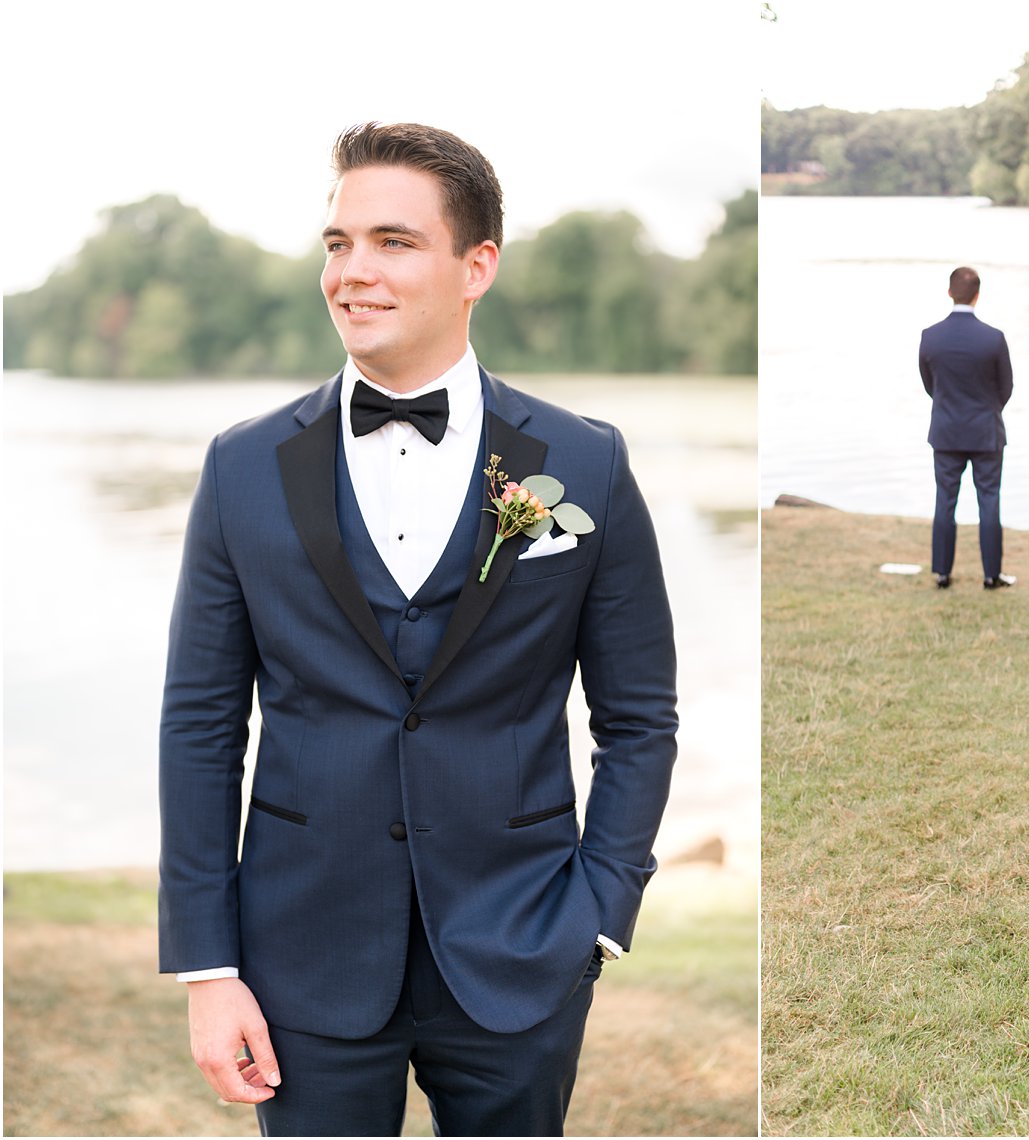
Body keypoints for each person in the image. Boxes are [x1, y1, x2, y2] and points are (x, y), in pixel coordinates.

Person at [157, 122, 677, 1136]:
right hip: (299, 952)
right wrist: (207, 965)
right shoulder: (241, 467)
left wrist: (600, 914)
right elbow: (200, 727)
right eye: (337, 244)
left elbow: (638, 716)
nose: (353, 272)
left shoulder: (585, 460)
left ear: (475, 265)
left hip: (522, 947)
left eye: (392, 242)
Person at [918, 266, 1015, 590]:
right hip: (986, 432)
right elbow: (1006, 387)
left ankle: (942, 573)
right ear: (977, 294)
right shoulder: (993, 338)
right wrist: (987, 411)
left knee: (945, 501)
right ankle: (991, 575)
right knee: (989, 501)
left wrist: (950, 408)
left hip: (946, 431)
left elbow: (930, 384)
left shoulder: (930, 336)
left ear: (949, 293)